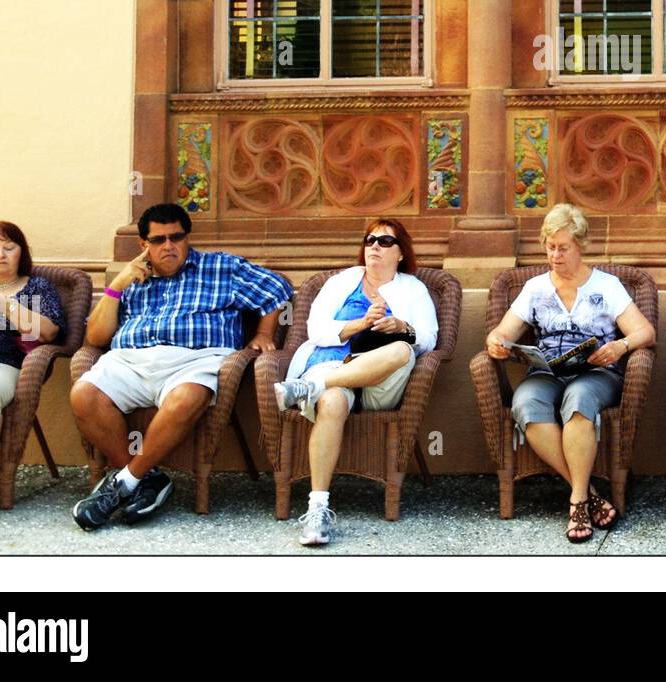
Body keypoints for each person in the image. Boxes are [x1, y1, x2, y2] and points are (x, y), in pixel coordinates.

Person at [70, 202, 290, 530]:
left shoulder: (221, 268)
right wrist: (118, 285)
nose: (169, 246)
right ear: (143, 245)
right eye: (159, 240)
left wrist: (263, 332)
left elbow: (277, 289)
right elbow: (96, 336)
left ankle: (124, 483)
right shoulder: (133, 279)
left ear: (187, 238)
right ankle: (144, 479)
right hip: (131, 359)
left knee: (187, 397)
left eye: (177, 237)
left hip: (195, 359)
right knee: (83, 395)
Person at [485, 203, 655, 543]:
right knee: (525, 402)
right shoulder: (535, 288)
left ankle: (576, 501)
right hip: (548, 372)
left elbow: (645, 332)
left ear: (581, 245)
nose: (555, 255)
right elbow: (501, 332)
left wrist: (620, 347)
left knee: (577, 400)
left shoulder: (607, 285)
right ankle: (588, 492)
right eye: (550, 247)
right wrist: (497, 344)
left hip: (596, 372)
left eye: (563, 248)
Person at [272, 218, 438, 547]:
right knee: (331, 401)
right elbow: (315, 330)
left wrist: (399, 325)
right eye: (370, 240)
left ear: (401, 253)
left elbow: (430, 339)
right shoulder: (341, 281)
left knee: (402, 350)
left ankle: (311, 388)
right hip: (332, 368)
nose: (374, 246)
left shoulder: (412, 288)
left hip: (379, 383)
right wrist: (360, 323)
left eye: (385, 242)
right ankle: (317, 510)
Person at [0, 222, 65, 522]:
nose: (0, 254)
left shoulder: (35, 287)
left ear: (21, 253)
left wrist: (6, 306)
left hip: (3, 364)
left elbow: (50, 332)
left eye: (9, 247)